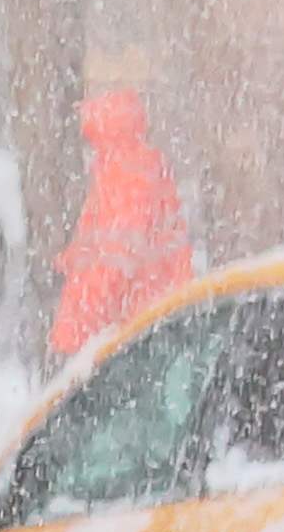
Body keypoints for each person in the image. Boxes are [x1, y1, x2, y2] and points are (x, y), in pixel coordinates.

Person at [45, 87, 196, 365]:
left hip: (116, 327)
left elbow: (117, 254)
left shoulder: (125, 173)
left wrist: (85, 324)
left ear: (107, 131)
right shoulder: (136, 167)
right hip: (141, 318)